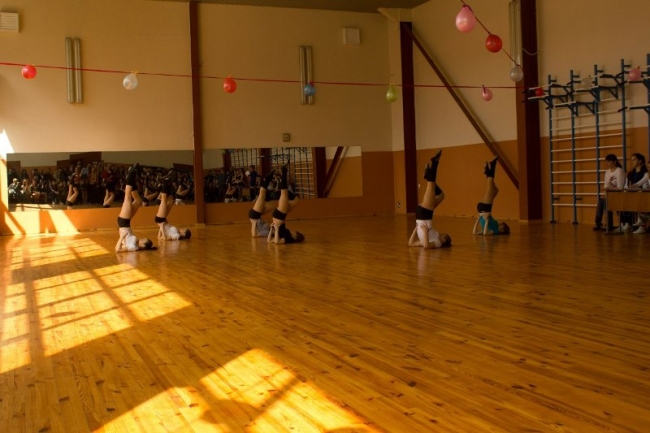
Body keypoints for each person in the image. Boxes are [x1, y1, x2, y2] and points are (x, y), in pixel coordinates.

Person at [408, 150, 452, 248]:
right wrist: (416, 230)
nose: (441, 234)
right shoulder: (436, 238)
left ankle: (435, 162)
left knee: (431, 185)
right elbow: (411, 244)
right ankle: (428, 176)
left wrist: (423, 231)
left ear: (444, 240)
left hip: (425, 214)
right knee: (441, 195)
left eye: (443, 235)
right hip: (423, 214)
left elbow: (426, 246)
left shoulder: (438, 242)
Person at [115, 163, 155, 252]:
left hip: (123, 222)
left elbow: (117, 250)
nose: (143, 238)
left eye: (144, 240)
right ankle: (131, 180)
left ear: (143, 245)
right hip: (126, 222)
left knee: (128, 196)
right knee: (138, 201)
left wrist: (121, 238)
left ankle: (130, 174)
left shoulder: (133, 247)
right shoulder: (135, 244)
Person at [248, 169, 299, 238]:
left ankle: (270, 179)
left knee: (262, 196)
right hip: (258, 215)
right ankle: (272, 188)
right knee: (272, 204)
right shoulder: (271, 230)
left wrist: (254, 224)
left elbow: (254, 235)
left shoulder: (266, 232)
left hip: (255, 215)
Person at [472, 156, 510, 235]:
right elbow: (478, 233)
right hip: (483, 209)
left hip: (485, 209)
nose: (501, 223)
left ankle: (492, 166)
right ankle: (487, 172)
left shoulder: (495, 231)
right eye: (502, 224)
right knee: (496, 190)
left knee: (490, 188)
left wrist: (483, 221)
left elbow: (484, 233)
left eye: (502, 225)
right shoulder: (495, 224)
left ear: (502, 230)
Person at [268, 163, 305, 244]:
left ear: (296, 237)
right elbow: (269, 241)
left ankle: (284, 171)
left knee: (284, 193)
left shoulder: (289, 239)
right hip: (279, 217)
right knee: (296, 200)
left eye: (296, 233)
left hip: (279, 216)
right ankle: (286, 190)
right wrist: (272, 230)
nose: (294, 232)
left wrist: (275, 229)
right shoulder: (288, 234)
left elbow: (276, 242)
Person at [594, 154, 626, 231]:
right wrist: (607, 193)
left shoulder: (619, 171)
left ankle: (609, 225)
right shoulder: (607, 172)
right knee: (601, 202)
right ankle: (598, 222)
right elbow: (606, 186)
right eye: (606, 161)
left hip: (618, 194)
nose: (607, 163)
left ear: (614, 162)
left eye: (609, 161)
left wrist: (610, 190)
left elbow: (620, 187)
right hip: (610, 194)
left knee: (606, 203)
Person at [155, 177, 192, 241]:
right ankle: (168, 184)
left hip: (161, 219)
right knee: (171, 200)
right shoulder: (177, 232)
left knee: (163, 199)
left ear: (184, 234)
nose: (182, 229)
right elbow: (159, 238)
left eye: (183, 230)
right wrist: (161, 228)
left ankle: (166, 181)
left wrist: (161, 228)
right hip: (163, 220)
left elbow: (165, 239)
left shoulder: (177, 235)